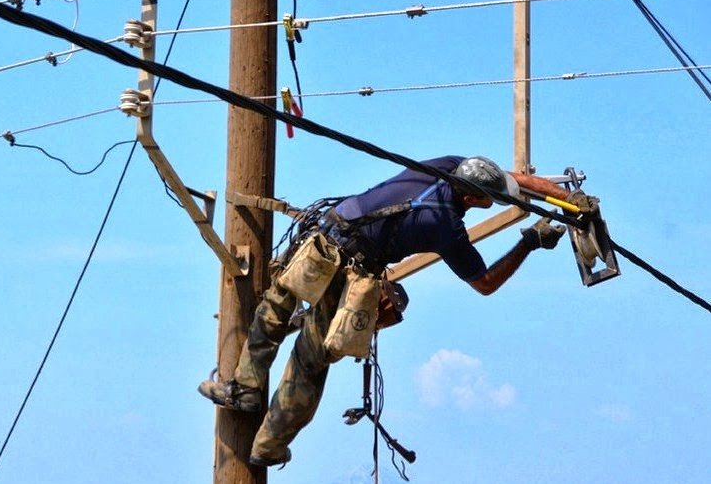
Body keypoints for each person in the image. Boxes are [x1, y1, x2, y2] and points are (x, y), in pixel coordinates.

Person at [198, 155, 597, 467]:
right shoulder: (446, 228)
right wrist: (529, 242)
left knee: (274, 310)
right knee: (310, 359)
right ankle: (267, 445)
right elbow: (486, 284)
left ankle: (246, 389)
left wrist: (566, 200)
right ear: (473, 198)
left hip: (327, 238)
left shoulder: (447, 167)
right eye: (488, 200)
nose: (492, 203)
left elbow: (515, 180)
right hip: (351, 269)